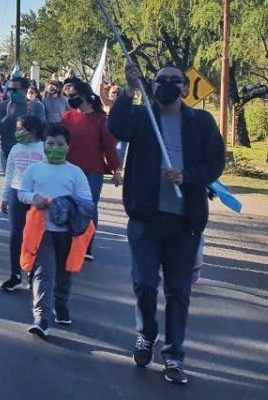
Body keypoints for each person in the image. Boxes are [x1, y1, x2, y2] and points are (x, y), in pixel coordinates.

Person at [109, 63, 225, 386]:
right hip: (145, 218)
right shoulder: (143, 117)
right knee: (144, 283)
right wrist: (129, 89)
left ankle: (174, 355)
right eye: (160, 80)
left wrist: (187, 177)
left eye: (174, 81)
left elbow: (216, 162)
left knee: (178, 292)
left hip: (183, 222)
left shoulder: (200, 122)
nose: (167, 85)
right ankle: (147, 333)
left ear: (185, 88)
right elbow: (116, 126)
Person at [17, 125, 95, 339]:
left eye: (60, 144)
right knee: (44, 271)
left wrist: (64, 205)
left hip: (68, 233)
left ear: (68, 147)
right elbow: (22, 193)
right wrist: (35, 199)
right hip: (42, 232)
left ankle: (61, 305)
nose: (55, 148)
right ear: (44, 145)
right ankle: (41, 317)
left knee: (64, 272)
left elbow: (87, 201)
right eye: (50, 144)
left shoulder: (75, 172)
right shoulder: (34, 170)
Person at [61, 78, 122, 261]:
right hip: (69, 170)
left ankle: (86, 245)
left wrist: (116, 169)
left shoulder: (100, 119)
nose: (70, 99)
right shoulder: (68, 118)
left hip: (92, 172)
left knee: (89, 207)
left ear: (85, 95)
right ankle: (70, 241)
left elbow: (109, 147)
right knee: (69, 206)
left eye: (73, 96)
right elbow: (57, 141)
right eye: (68, 96)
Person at [0, 115, 46, 292]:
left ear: (32, 131)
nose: (17, 132)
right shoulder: (15, 149)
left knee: (34, 235)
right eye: (16, 129)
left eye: (21, 129)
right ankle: (15, 274)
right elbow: (9, 174)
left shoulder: (43, 149)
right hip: (17, 193)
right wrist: (5, 197)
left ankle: (34, 271)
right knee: (15, 235)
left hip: (37, 196)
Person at [0, 76, 46, 178]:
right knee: (11, 187)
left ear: (25, 91)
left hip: (31, 154)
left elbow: (43, 132)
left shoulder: (37, 106)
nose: (11, 92)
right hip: (8, 152)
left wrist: (32, 116)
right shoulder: (3, 106)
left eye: (15, 90)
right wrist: (8, 117)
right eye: (9, 89)